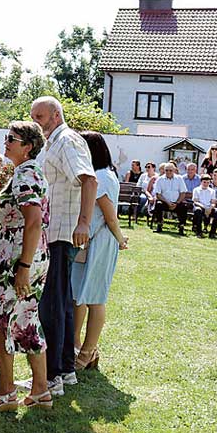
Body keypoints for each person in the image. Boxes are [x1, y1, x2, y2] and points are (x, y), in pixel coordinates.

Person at [0, 121, 51, 411]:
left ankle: (6, 391)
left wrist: (23, 266)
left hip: (19, 256)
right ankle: (40, 391)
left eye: (12, 139)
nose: (6, 142)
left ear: (28, 147)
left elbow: (33, 222)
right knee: (28, 319)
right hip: (31, 253)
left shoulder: (25, 175)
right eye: (6, 137)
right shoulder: (31, 172)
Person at [29, 96, 96, 396]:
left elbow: (89, 181)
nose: (36, 123)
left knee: (52, 305)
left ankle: (52, 375)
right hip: (53, 232)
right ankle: (66, 369)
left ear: (56, 115)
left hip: (60, 234)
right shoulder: (53, 142)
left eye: (40, 117)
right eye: (33, 117)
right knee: (61, 302)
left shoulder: (67, 140)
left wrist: (84, 223)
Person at [71, 132, 128, 372]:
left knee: (95, 297)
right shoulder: (101, 174)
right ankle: (75, 346)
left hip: (100, 241)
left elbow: (109, 215)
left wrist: (120, 239)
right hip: (88, 241)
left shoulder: (101, 177)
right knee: (78, 294)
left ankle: (87, 351)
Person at [152, 163, 188, 234]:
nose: (168, 172)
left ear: (174, 170)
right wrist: (168, 203)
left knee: (184, 206)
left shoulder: (179, 178)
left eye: (170, 170)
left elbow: (183, 192)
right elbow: (158, 194)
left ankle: (181, 226)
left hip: (176, 202)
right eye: (166, 170)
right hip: (165, 202)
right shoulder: (160, 179)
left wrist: (177, 203)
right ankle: (159, 224)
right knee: (158, 204)